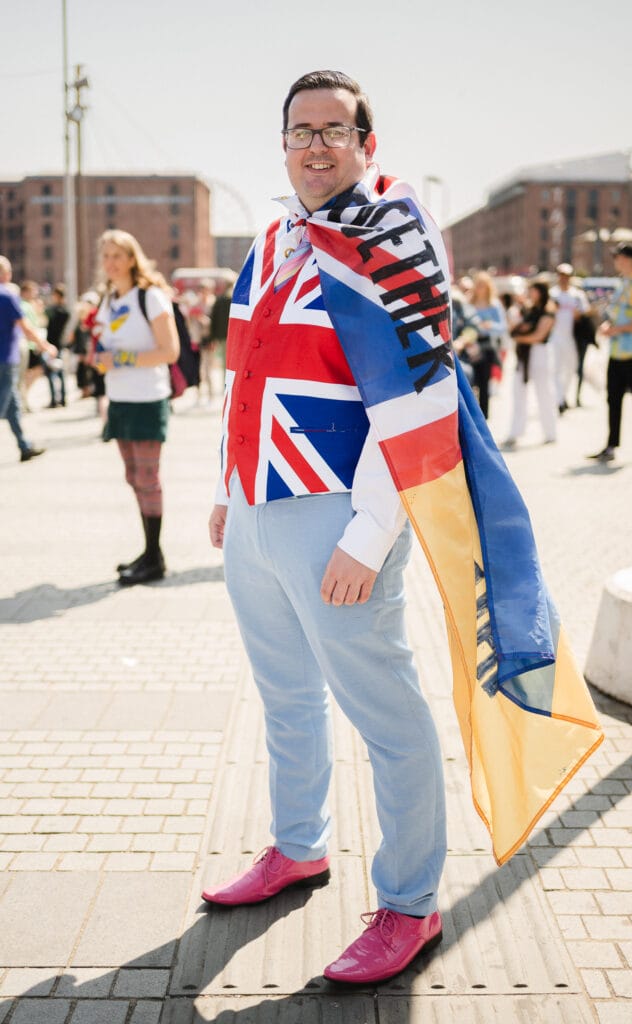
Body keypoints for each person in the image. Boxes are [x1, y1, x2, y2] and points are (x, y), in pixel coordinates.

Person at [205, 70, 447, 986]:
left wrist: (368, 534)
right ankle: (298, 846)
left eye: (333, 130)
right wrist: (229, 487)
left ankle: (410, 903)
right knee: (285, 698)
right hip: (258, 513)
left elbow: (419, 395)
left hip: (336, 515)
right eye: (299, 130)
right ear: (283, 143)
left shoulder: (392, 238)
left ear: (365, 142)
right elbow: (246, 375)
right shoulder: (271, 240)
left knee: (384, 713)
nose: (314, 145)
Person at [92, 230, 180, 584]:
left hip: (147, 400)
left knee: (148, 480)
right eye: (106, 256)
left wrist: (120, 358)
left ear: (132, 258)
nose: (111, 263)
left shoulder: (151, 297)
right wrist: (100, 360)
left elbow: (169, 351)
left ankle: (154, 559)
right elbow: (107, 346)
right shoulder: (110, 299)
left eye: (117, 255)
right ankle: (150, 553)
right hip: (120, 400)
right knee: (134, 479)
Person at [588, 242, 632, 463]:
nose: (616, 261)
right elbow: (616, 314)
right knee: (614, 399)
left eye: (618, 257)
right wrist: (607, 325)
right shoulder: (624, 284)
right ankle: (611, 446)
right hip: (617, 352)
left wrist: (618, 329)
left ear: (629, 259)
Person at [0, 256, 56, 461]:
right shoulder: (7, 295)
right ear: (5, 274)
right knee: (3, 403)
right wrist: (45, 346)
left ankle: (24, 446)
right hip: (6, 357)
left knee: (13, 403)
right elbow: (25, 327)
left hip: (6, 357)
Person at [503, 280, 557, 448]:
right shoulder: (530, 308)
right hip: (525, 355)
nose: (530, 294)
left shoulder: (548, 308)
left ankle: (550, 432)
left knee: (543, 393)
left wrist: (519, 338)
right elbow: (517, 326)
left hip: (539, 353)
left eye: (533, 291)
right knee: (518, 392)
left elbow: (539, 336)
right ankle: (515, 431)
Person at [549, 263, 589, 413]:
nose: (563, 278)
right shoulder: (552, 294)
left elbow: (585, 312)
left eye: (566, 275)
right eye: (561, 275)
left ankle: (563, 395)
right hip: (555, 337)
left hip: (572, 338)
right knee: (556, 369)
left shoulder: (577, 295)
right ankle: (559, 400)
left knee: (571, 368)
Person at [466, 271, 506, 419]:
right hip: (471, 344)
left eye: (483, 285)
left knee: (484, 381)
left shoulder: (494, 305)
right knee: (471, 380)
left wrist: (490, 325)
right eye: (478, 285)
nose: (480, 288)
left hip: (486, 344)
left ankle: (484, 415)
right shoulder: (469, 302)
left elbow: (502, 327)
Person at [45, 283, 70, 407]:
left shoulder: (57, 311)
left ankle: (55, 399)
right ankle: (63, 398)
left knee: (52, 373)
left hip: (53, 345)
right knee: (60, 373)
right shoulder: (64, 311)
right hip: (58, 344)